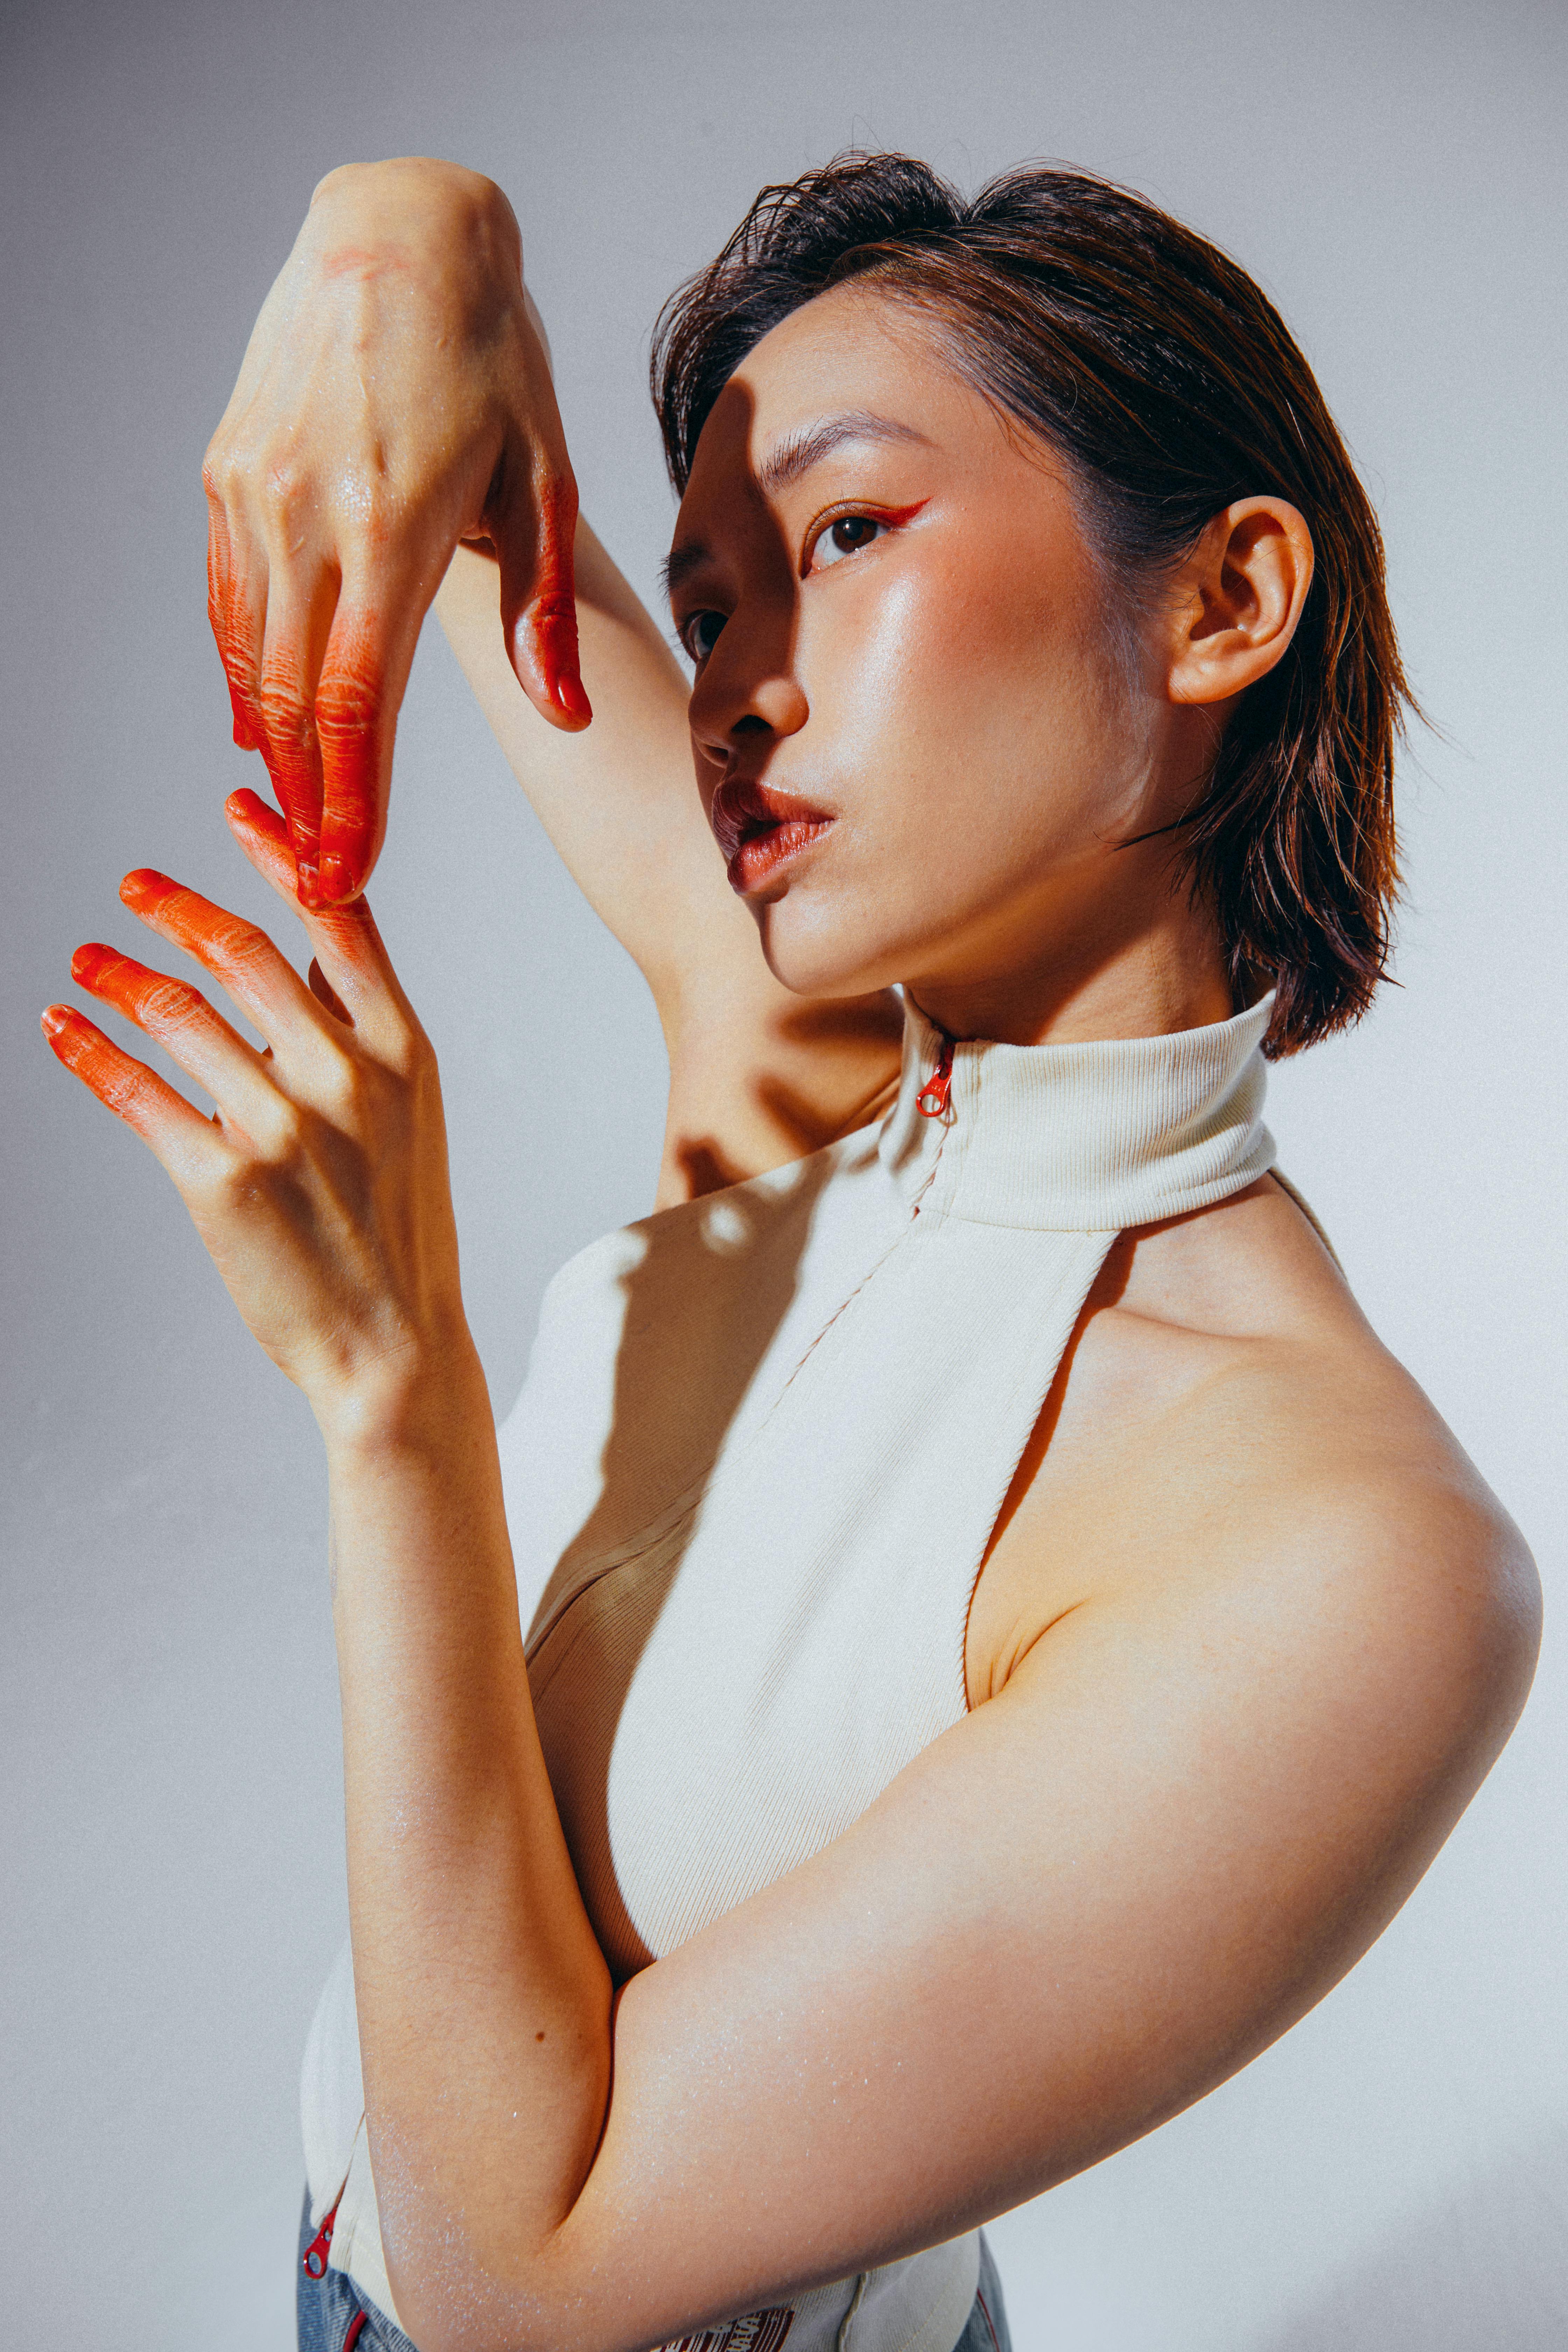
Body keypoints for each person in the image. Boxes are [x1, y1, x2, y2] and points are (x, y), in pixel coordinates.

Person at [43, 152, 1539, 2352]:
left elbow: (507, 2278)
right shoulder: (814, 1061)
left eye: (848, 531)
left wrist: (395, 1404)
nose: (732, 694)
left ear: (1226, 600)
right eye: (712, 599)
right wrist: (396, 225)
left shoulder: (1345, 1559)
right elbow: (473, 467)